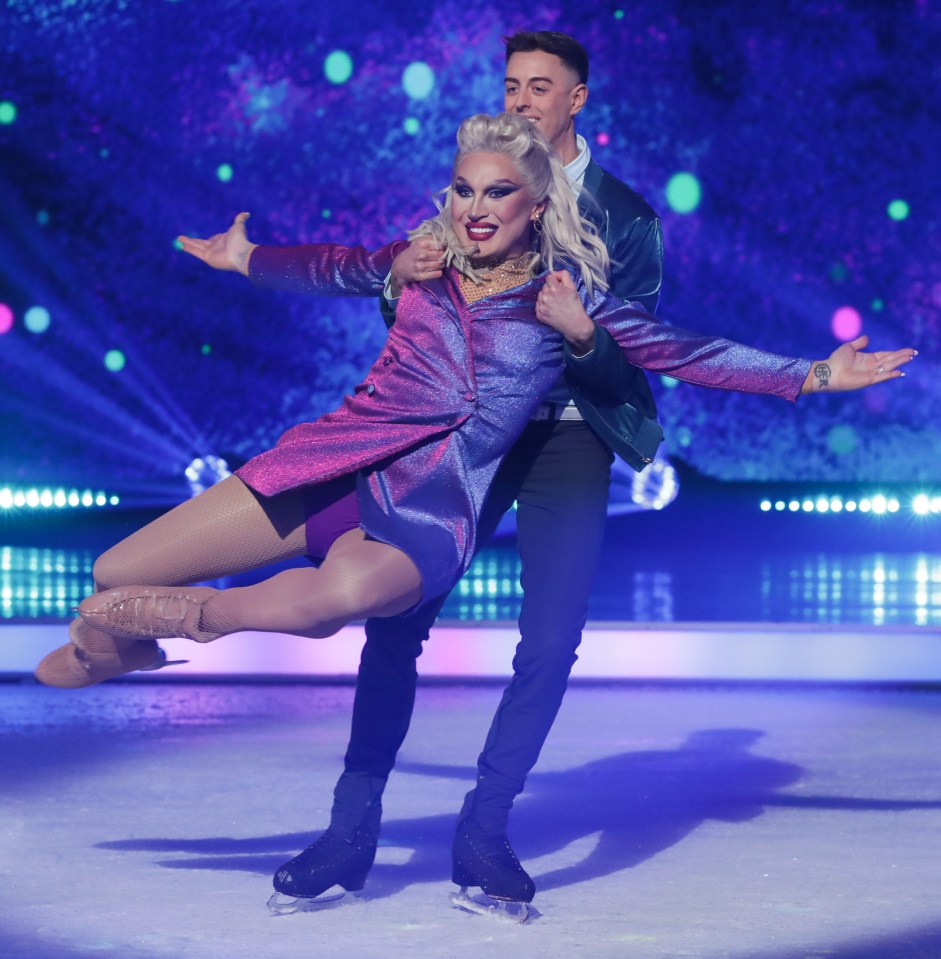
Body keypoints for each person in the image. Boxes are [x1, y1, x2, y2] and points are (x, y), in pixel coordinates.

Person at [34, 113, 912, 915]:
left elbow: (692, 353)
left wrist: (814, 372)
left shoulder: (563, 301)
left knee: (324, 605)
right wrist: (243, 258)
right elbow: (332, 266)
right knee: (118, 571)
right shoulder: (415, 258)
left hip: (427, 506)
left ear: (535, 208)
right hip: (329, 464)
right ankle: (123, 635)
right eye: (463, 189)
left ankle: (170, 626)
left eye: (498, 193)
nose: (476, 206)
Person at [292, 29, 668, 911]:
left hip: (568, 438)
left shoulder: (627, 219)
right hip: (467, 433)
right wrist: (397, 280)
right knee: (397, 612)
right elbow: (411, 302)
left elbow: (631, 364)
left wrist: (581, 337)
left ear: (576, 101)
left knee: (549, 641)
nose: (521, 99)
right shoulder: (477, 185)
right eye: (511, 83)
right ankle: (349, 831)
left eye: (541, 86)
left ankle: (485, 830)